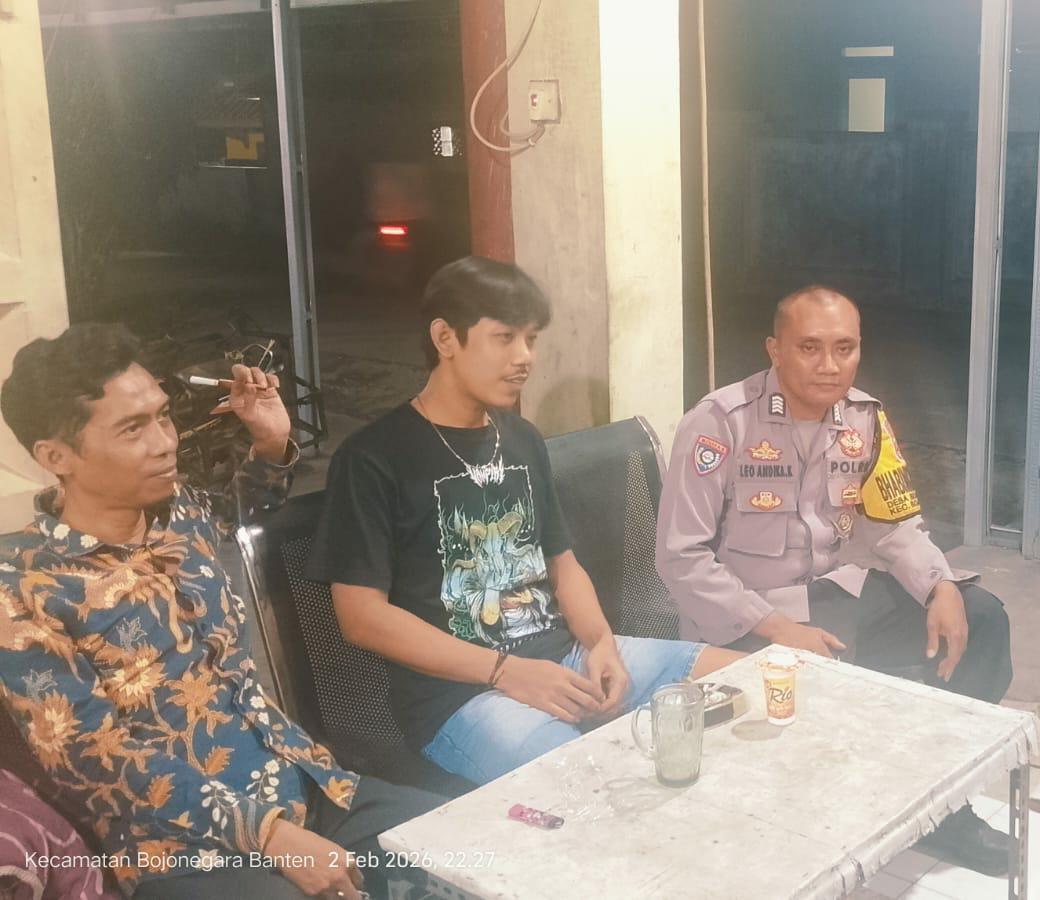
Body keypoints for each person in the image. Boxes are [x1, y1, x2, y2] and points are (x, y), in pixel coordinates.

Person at [0, 325, 441, 900]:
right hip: (181, 851)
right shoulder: (24, 588)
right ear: (56, 457)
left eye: (163, 416)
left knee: (475, 848)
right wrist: (269, 835)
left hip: (308, 784)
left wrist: (271, 443)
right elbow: (93, 760)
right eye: (133, 429)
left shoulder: (177, 510)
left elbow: (238, 508)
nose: (165, 442)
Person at [306, 256, 741, 786]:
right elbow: (361, 617)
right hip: (463, 698)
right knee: (598, 784)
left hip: (565, 659)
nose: (524, 357)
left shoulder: (521, 438)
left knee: (746, 683)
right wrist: (506, 672)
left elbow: (562, 563)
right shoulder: (374, 457)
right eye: (504, 337)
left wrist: (601, 643)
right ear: (445, 338)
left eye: (531, 339)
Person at [656, 285, 1013, 876]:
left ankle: (939, 804)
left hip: (837, 599)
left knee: (982, 618)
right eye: (809, 348)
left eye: (844, 348)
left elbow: (892, 523)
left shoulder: (865, 419)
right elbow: (681, 558)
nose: (829, 365)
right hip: (745, 619)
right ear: (775, 349)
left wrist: (940, 584)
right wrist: (775, 628)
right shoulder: (720, 424)